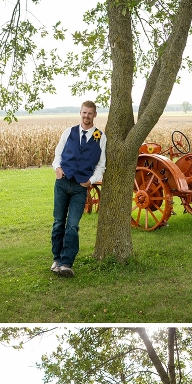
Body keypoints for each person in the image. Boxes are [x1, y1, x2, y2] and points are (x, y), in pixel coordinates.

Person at [51, 101, 106, 278]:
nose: (86, 116)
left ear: (95, 115)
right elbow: (58, 155)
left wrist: (91, 180)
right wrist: (57, 169)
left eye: (90, 113)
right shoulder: (69, 132)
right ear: (80, 113)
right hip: (62, 182)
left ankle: (66, 263)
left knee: (72, 226)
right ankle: (56, 259)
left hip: (80, 187)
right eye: (84, 113)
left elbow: (101, 165)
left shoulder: (100, 137)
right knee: (59, 222)